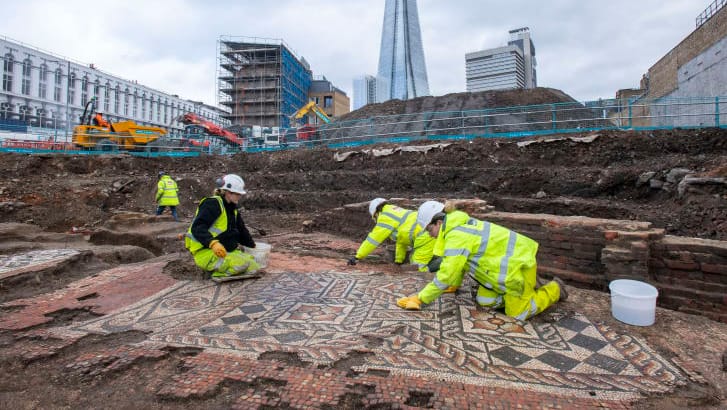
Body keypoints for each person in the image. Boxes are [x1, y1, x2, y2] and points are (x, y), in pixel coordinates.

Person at [396, 201, 567, 321]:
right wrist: (454, 285)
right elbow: (459, 264)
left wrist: (420, 298)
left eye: (428, 229)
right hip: (501, 273)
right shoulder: (457, 227)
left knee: (518, 314)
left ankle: (554, 289)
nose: (428, 234)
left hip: (518, 268)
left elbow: (446, 274)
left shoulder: (457, 235)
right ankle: (520, 292)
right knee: (485, 301)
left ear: (439, 222)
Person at [184, 174, 261, 283]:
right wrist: (213, 243)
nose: (239, 196)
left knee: (254, 265)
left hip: (225, 250)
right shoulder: (212, 204)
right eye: (238, 194)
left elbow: (242, 231)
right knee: (240, 264)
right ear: (228, 193)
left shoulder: (232, 209)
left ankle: (228, 267)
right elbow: (198, 227)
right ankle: (216, 274)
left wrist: (253, 246)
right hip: (206, 251)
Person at [348, 198, 439, 273]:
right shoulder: (395, 211)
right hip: (430, 231)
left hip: (427, 235)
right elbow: (402, 239)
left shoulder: (385, 217)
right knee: (417, 262)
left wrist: (357, 256)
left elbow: (373, 240)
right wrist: (398, 261)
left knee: (418, 267)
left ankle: (435, 277)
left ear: (375, 214)